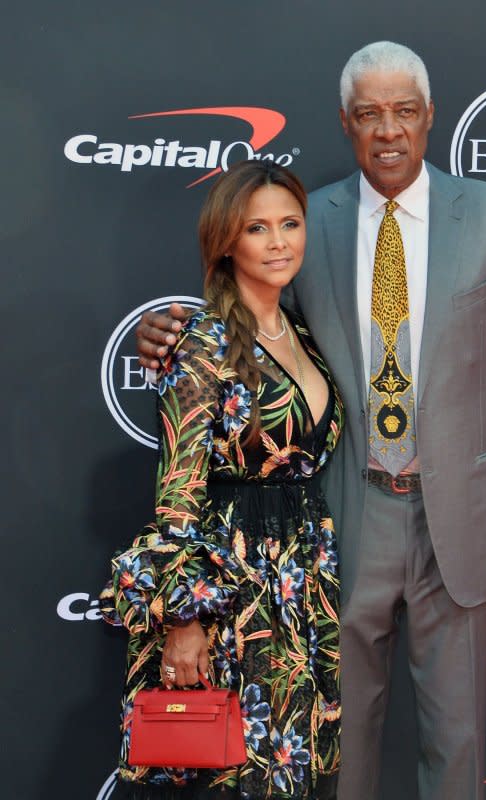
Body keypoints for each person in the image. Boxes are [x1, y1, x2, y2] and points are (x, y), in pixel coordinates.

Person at [136, 42, 486, 800]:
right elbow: (255, 332)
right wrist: (170, 334)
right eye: (370, 114)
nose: (389, 130)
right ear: (346, 123)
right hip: (339, 522)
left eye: (404, 111)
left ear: (430, 117)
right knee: (333, 749)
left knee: (457, 746)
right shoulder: (311, 222)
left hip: (460, 526)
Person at [100, 160, 343, 799]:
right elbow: (178, 494)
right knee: (239, 776)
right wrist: (184, 619)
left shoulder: (306, 334)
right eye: (257, 228)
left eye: (290, 224)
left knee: (296, 775)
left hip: (302, 584)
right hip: (235, 592)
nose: (279, 241)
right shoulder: (201, 343)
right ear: (226, 241)